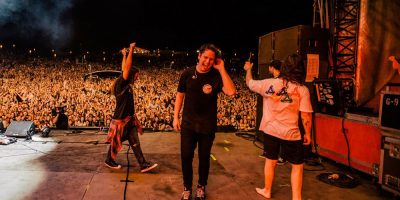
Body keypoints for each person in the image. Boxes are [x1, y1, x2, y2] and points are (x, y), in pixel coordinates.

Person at [244, 54, 312, 200]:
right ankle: (296, 198)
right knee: (297, 166)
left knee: (270, 161)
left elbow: (249, 83)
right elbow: (306, 116)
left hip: (271, 130)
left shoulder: (269, 83)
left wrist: (248, 69)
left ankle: (267, 190)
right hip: (291, 133)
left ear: (284, 67)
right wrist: (307, 133)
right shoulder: (302, 90)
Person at [173, 43, 236, 200]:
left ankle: (201, 187)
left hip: (207, 126)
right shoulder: (187, 73)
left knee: (204, 157)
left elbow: (231, 91)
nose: (207, 61)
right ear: (199, 56)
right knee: (186, 156)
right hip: (188, 124)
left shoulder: (216, 75)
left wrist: (221, 69)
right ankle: (187, 187)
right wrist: (175, 116)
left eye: (211, 59)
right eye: (205, 57)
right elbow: (180, 95)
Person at [105, 42, 158, 173]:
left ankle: (143, 164)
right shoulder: (122, 83)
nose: (138, 77)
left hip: (129, 120)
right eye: (137, 75)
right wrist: (131, 51)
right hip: (121, 120)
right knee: (117, 142)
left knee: (135, 142)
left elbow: (124, 68)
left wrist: (124, 55)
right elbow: (126, 69)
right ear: (131, 75)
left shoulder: (124, 83)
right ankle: (109, 160)